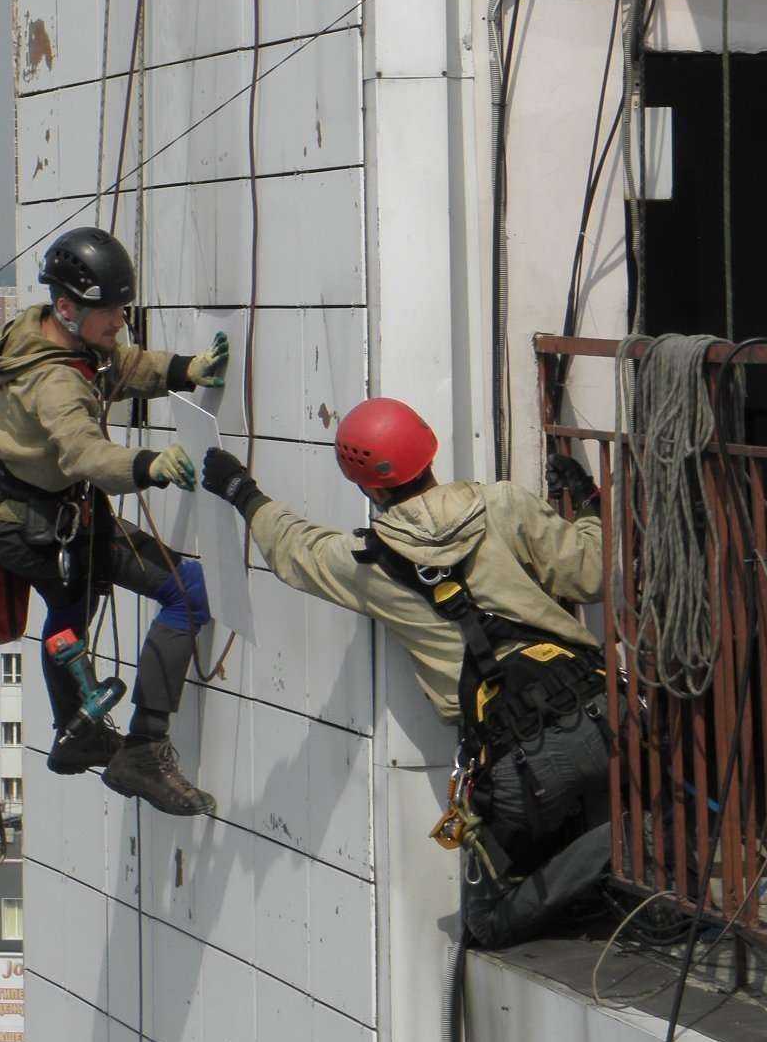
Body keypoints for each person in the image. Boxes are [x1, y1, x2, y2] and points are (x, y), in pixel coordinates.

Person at [200, 397, 614, 945]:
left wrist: (242, 493)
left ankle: (629, 843)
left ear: (367, 486)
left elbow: (295, 550)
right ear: (429, 448)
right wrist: (587, 505)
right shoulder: (503, 504)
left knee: (487, 922)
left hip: (521, 765)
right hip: (603, 719)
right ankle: (631, 840)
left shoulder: (366, 565)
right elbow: (588, 574)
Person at [0, 226, 228, 817]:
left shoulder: (53, 333)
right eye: (112, 312)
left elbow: (118, 363)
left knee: (72, 607)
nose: (120, 320)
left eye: (122, 308)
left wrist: (184, 369)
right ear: (69, 309)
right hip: (23, 521)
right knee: (187, 592)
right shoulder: (54, 382)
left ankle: (79, 731)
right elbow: (83, 455)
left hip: (26, 510)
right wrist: (150, 465)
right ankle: (139, 749)